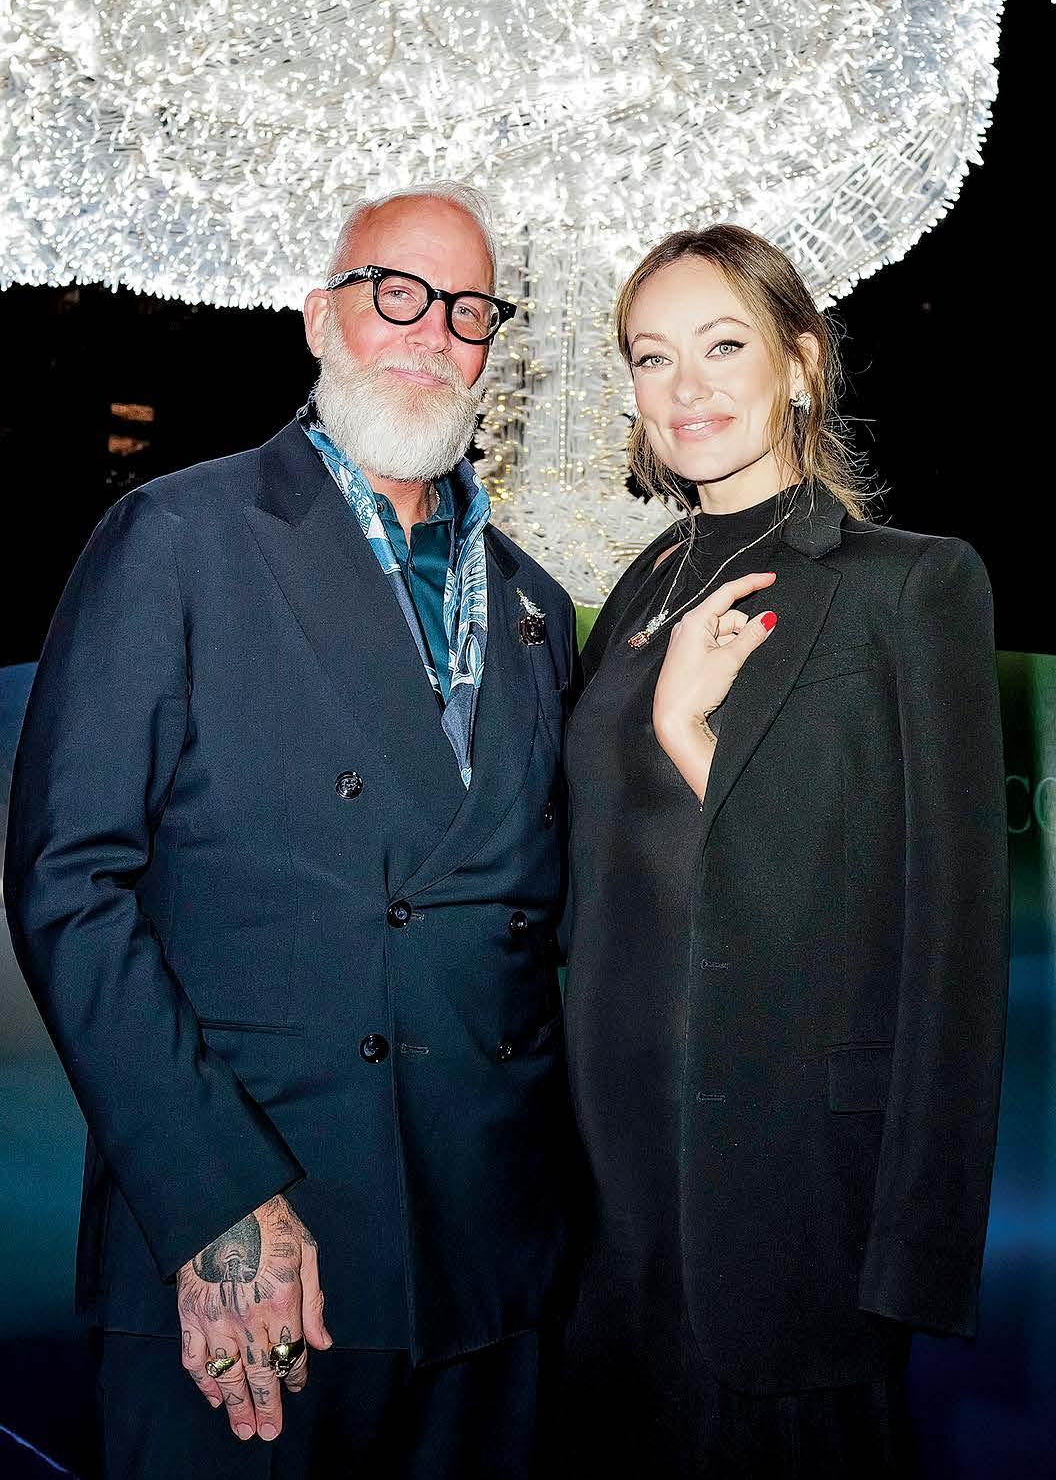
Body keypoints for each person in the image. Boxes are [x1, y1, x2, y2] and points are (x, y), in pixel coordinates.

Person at [4, 182, 578, 1480]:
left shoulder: (532, 606)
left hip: (492, 1274)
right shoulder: (178, 536)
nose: (431, 329)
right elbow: (68, 883)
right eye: (397, 292)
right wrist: (215, 1201)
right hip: (256, 1258)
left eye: (469, 308)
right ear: (320, 318)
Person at [559, 223, 1009, 1480]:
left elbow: (945, 936)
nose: (684, 388)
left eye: (722, 345)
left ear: (800, 361)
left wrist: (686, 733)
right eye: (652, 357)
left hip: (785, 1204)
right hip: (607, 1189)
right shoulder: (640, 587)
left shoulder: (906, 588)